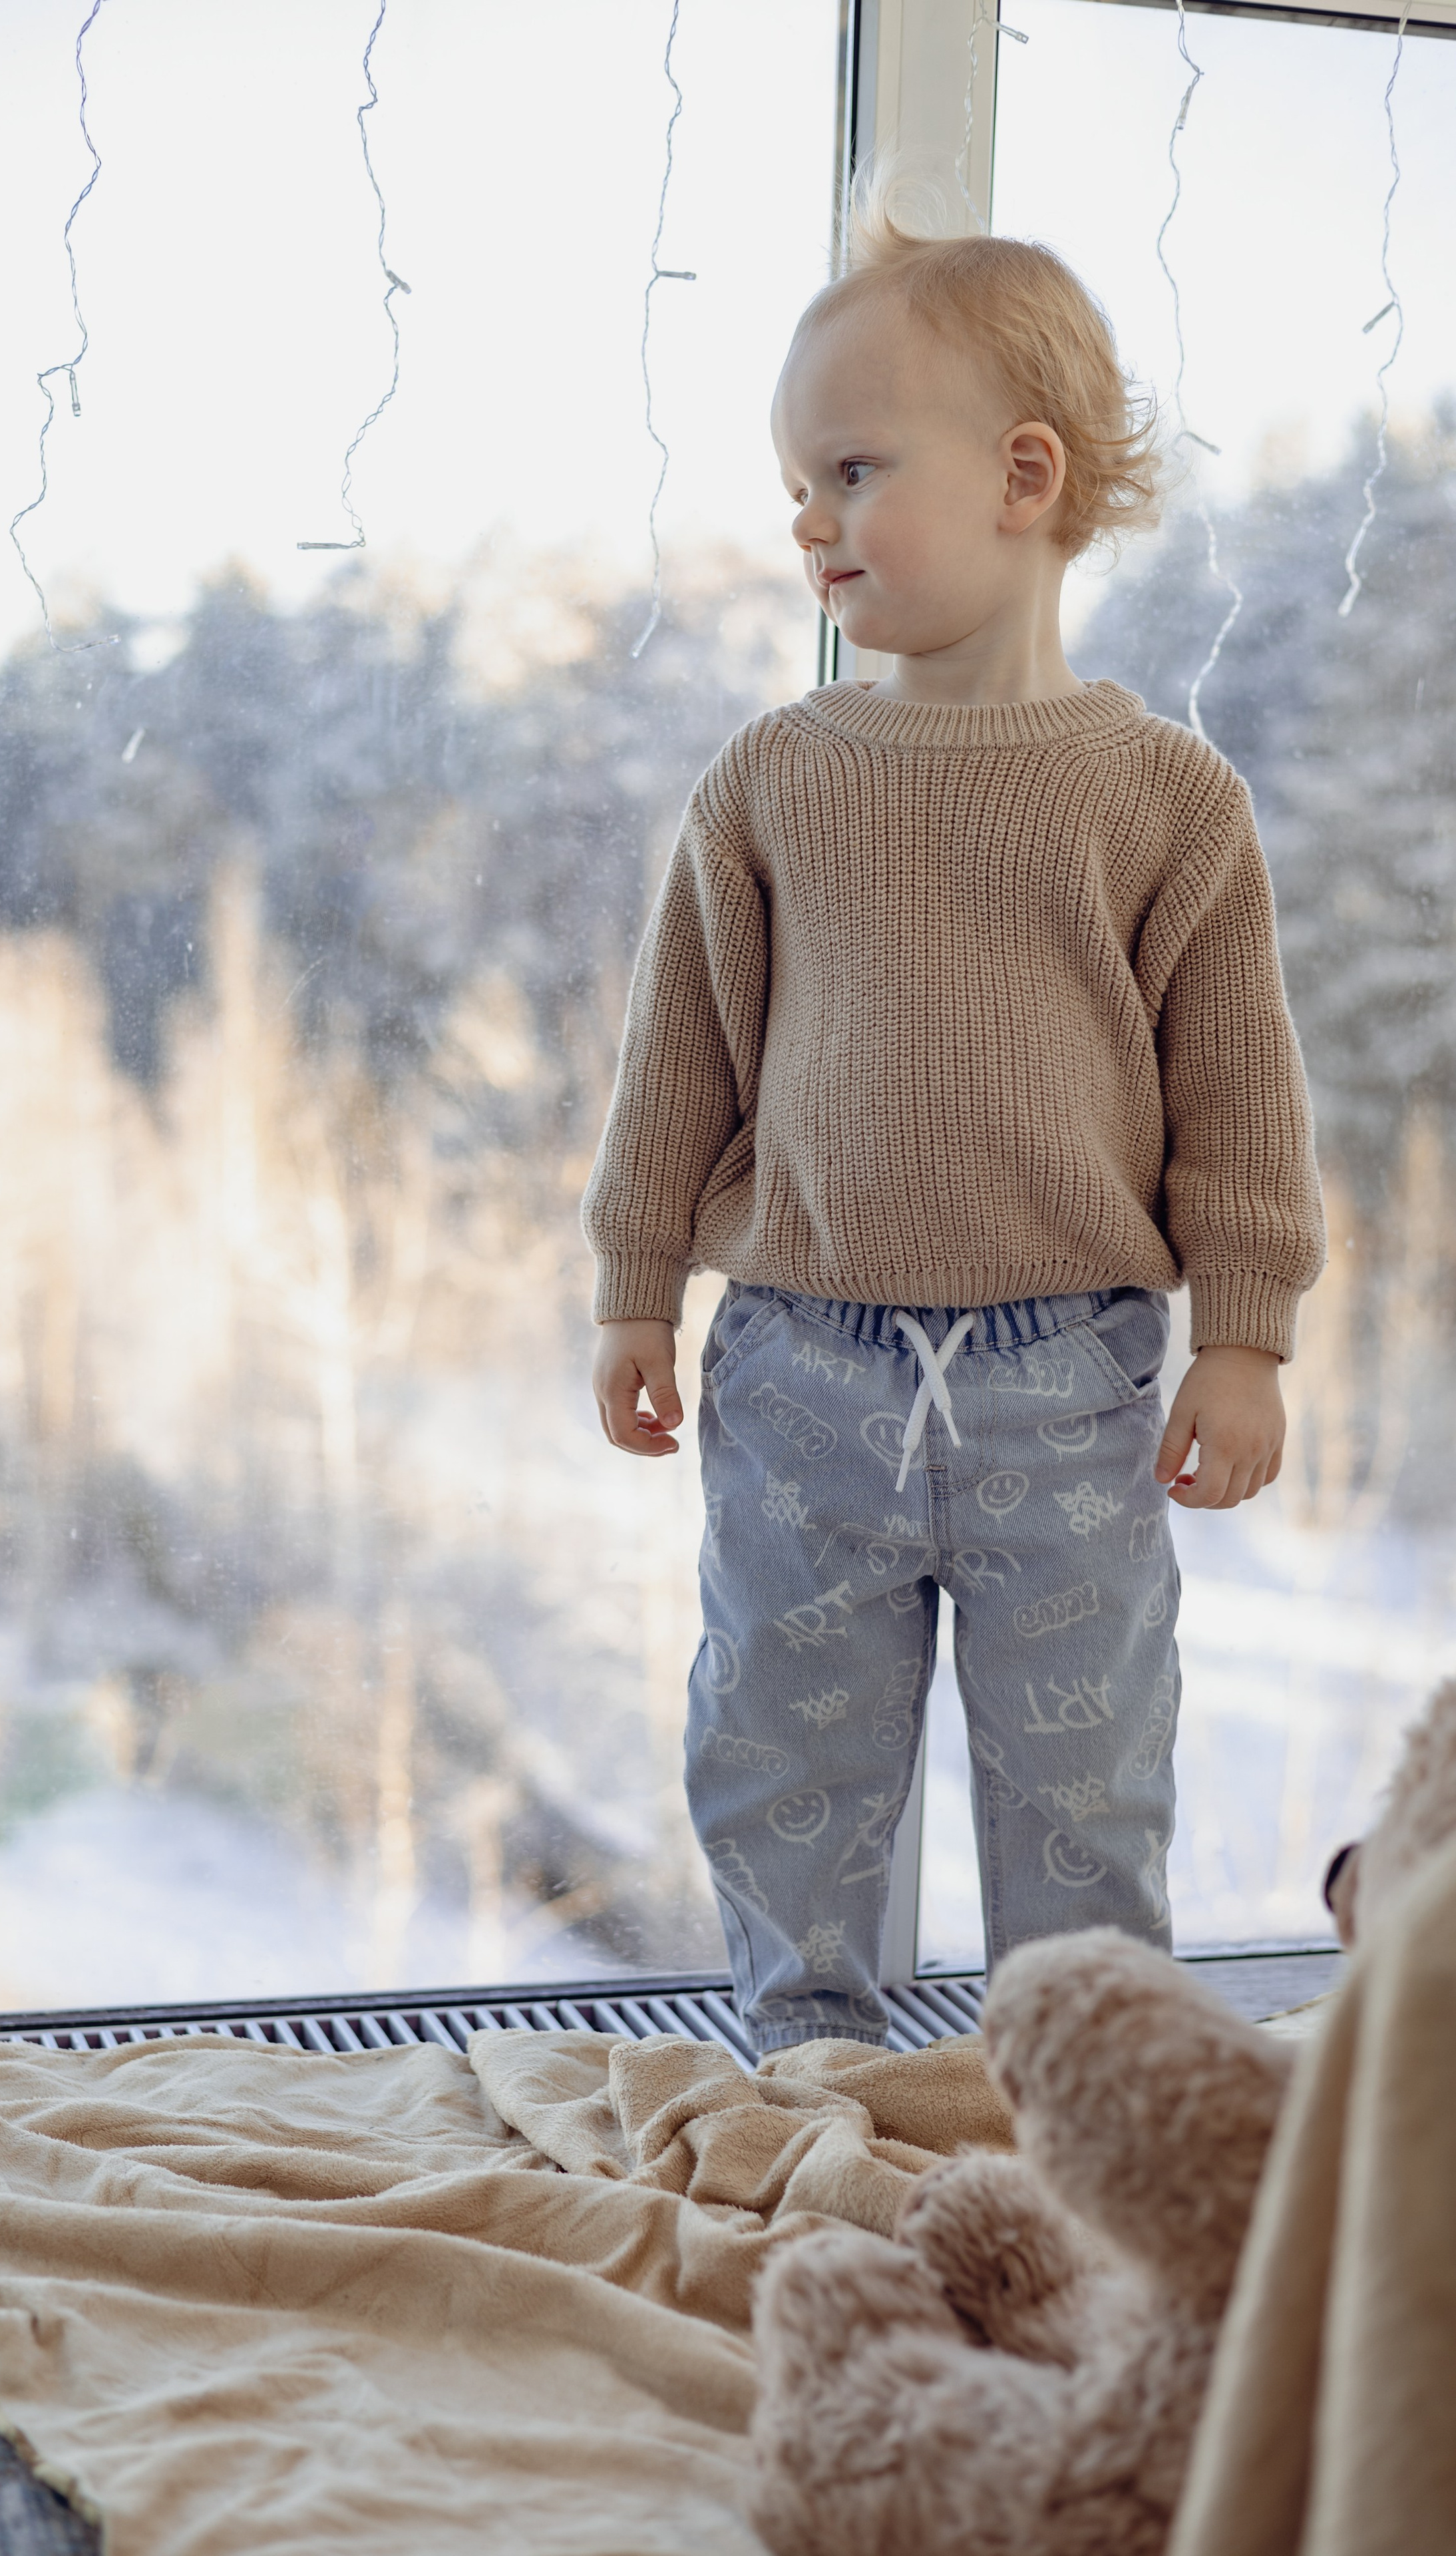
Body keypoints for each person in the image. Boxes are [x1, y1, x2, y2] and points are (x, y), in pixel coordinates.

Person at [581, 192, 1324, 2055]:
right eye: (795, 485)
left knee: (1088, 1772)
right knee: (782, 1745)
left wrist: (1245, 1338)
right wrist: (634, 1287)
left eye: (848, 470)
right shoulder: (771, 779)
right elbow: (681, 1059)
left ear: (1022, 475)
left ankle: (1092, 2075)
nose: (807, 522)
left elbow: (1239, 1091)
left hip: (1066, 1380)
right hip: (800, 1371)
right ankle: (806, 2056)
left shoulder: (1166, 798)